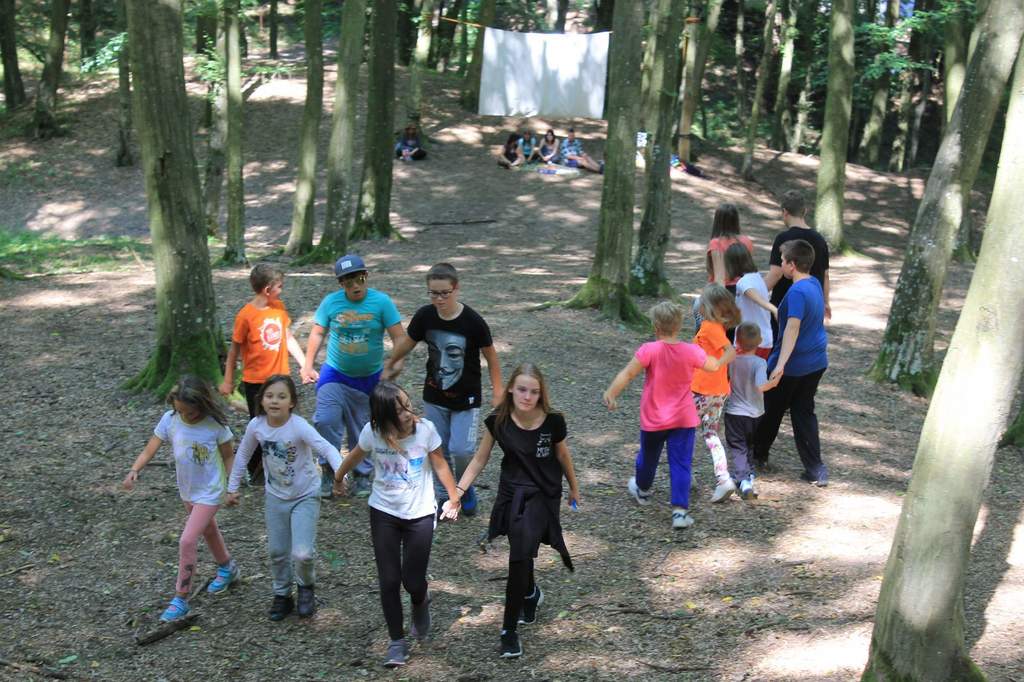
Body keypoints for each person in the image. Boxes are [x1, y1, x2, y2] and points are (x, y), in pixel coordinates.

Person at [441, 364, 581, 659]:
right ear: (511, 390)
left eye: (534, 391)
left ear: (541, 394)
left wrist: (574, 487)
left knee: (519, 554)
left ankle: (508, 630)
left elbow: (562, 454)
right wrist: (457, 494)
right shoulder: (499, 421)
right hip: (511, 492)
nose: (527, 396)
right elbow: (479, 459)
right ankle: (530, 593)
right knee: (521, 546)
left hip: (542, 494)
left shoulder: (553, 422)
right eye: (522, 390)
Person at [331, 382, 459, 668]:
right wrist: (338, 478)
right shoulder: (373, 433)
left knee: (412, 580)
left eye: (407, 406)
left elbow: (440, 463)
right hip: (384, 512)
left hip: (420, 513)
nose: (407, 414)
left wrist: (454, 498)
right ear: (384, 418)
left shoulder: (425, 431)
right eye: (399, 411)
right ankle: (396, 642)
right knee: (389, 580)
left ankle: (420, 600)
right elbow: (355, 455)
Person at [383, 263, 503, 517]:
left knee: (462, 450)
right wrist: (391, 362)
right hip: (434, 395)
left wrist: (498, 391)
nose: (439, 299)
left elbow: (491, 357)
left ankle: (464, 487)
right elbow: (408, 342)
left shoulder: (473, 322)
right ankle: (443, 495)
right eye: (433, 293)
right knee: (438, 447)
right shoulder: (425, 316)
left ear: (456, 289)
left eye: (444, 293)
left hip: (466, 398)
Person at [123, 376, 238, 623]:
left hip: (211, 491)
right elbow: (150, 448)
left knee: (187, 540)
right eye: (181, 411)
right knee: (209, 530)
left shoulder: (215, 426)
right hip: (188, 490)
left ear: (203, 405)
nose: (186, 416)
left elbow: (229, 457)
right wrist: (135, 469)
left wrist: (232, 487)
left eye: (191, 412)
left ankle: (181, 598)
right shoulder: (170, 419)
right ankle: (227, 567)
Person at [226, 375, 343, 620]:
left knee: (303, 553)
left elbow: (325, 447)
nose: (274, 401)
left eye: (281, 396)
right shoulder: (256, 426)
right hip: (276, 497)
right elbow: (243, 455)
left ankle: (306, 588)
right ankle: (282, 594)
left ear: (291, 402)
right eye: (269, 396)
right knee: (277, 551)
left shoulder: (298, 426)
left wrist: (340, 474)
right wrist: (232, 487)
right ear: (261, 400)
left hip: (305, 494)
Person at [602, 302, 728, 529]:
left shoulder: (649, 350)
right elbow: (713, 365)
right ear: (679, 326)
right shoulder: (690, 351)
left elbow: (628, 373)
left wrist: (611, 393)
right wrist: (726, 354)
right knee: (681, 464)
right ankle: (680, 512)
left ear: (655, 326)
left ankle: (642, 488)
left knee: (647, 458)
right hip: (683, 419)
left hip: (654, 418)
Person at [301, 254, 408, 498]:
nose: (355, 286)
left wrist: (396, 362)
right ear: (341, 284)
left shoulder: (381, 302)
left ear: (366, 276)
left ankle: (362, 475)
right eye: (348, 282)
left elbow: (400, 337)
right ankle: (328, 469)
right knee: (325, 420)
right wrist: (307, 365)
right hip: (335, 373)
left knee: (362, 427)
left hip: (370, 377)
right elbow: (317, 332)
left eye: (359, 279)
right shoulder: (331, 302)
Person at [219, 263, 307, 485]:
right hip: (256, 382)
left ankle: (288, 466)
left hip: (281, 379)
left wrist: (305, 364)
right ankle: (256, 471)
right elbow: (234, 351)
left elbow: (287, 337)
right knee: (259, 426)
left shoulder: (279, 308)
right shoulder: (246, 316)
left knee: (288, 422)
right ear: (267, 289)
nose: (282, 290)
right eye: (280, 286)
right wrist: (228, 380)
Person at [754, 239, 829, 485]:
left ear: (792, 265)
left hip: (794, 365)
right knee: (803, 412)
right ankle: (816, 469)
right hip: (816, 362)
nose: (781, 264)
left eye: (783, 261)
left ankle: (756, 455)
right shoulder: (814, 283)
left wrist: (780, 365)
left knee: (771, 410)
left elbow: (793, 328)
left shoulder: (796, 292)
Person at [691, 284, 740, 503]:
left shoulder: (709, 327)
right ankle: (723, 479)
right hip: (718, 391)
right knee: (710, 434)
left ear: (708, 307)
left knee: (683, 432)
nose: (698, 304)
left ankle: (684, 475)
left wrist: (717, 364)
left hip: (701, 390)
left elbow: (731, 351)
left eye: (701, 301)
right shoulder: (718, 327)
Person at [764, 190, 831, 342]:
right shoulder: (820, 240)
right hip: (813, 305)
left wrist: (756, 292)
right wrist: (825, 302)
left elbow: (776, 274)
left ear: (784, 212)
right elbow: (825, 275)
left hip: (785, 305)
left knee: (782, 344)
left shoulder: (783, 238)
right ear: (805, 211)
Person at [724, 322, 778, 499]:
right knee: (749, 444)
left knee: (737, 446)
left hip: (735, 412)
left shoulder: (732, 361)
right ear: (760, 341)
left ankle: (743, 479)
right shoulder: (760, 363)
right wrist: (773, 383)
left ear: (737, 341)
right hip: (755, 413)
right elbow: (761, 386)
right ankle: (748, 474)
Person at [724, 242, 776, 360]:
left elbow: (756, 298)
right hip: (764, 340)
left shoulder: (743, 282)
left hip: (749, 342)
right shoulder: (757, 277)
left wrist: (774, 309)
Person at [705, 203, 755, 291]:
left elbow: (720, 278)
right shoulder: (747, 241)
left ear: (717, 221)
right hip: (746, 289)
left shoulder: (716, 243)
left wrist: (720, 297)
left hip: (726, 290)